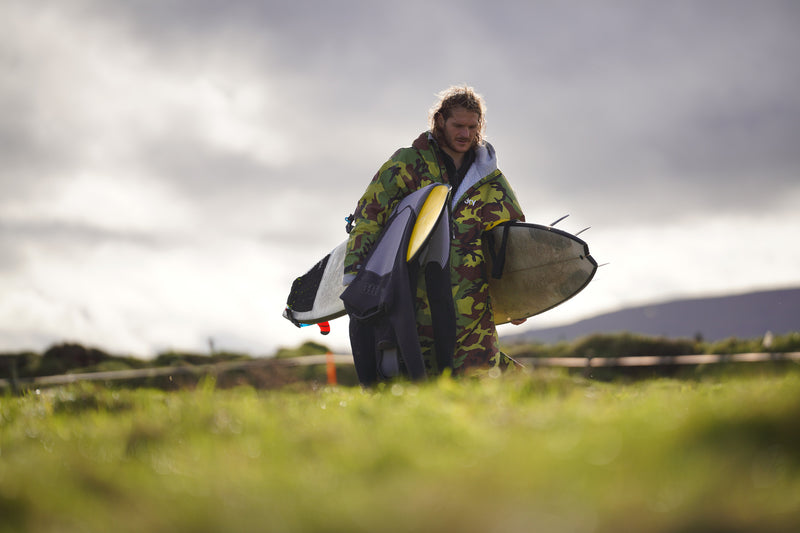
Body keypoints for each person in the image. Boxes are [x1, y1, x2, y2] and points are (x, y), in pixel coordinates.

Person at [343, 85, 526, 380]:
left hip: (473, 305)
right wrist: (354, 277)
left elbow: (510, 239)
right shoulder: (408, 163)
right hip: (414, 297)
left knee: (480, 380)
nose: (466, 134)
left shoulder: (490, 177)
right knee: (418, 381)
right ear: (440, 120)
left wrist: (519, 298)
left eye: (472, 126)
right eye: (458, 125)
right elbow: (370, 216)